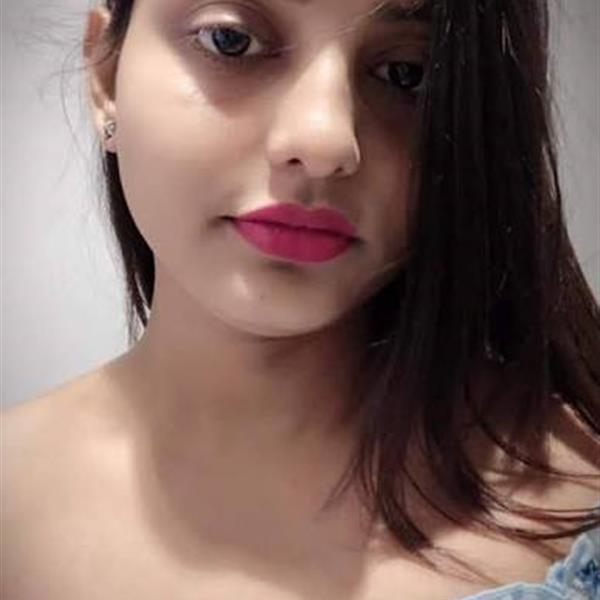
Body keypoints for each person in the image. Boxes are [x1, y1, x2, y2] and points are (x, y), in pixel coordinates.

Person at [2, 0, 599, 598]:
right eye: (231, 41)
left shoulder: (584, 494)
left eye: (407, 73)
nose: (325, 139)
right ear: (106, 76)